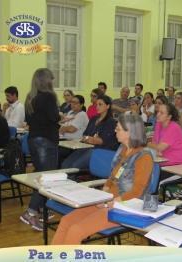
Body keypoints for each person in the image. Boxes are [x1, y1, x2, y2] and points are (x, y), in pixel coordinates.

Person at [52, 114, 154, 244]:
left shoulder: (144, 156)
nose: (115, 131)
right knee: (66, 221)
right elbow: (112, 177)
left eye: (118, 129)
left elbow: (137, 192)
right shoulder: (123, 149)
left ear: (129, 132)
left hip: (127, 207)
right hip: (108, 201)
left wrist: (109, 202)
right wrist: (102, 195)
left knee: (76, 230)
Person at [20, 68, 60, 231]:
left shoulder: (30, 97)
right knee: (46, 178)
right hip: (46, 140)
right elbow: (53, 117)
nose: (53, 82)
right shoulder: (49, 96)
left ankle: (41, 207)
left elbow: (29, 119)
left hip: (34, 140)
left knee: (40, 174)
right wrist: (60, 117)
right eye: (51, 79)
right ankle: (30, 212)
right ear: (46, 81)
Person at [61, 95, 118, 169]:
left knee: (74, 167)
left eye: (100, 104)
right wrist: (91, 138)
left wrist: (92, 139)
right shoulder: (93, 119)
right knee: (65, 164)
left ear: (107, 106)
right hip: (86, 147)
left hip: (99, 151)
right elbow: (85, 135)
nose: (97, 107)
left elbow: (102, 141)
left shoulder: (111, 122)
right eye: (96, 104)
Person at [148, 103, 182, 168]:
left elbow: (160, 147)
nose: (158, 115)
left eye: (162, 113)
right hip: (162, 162)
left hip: (177, 166)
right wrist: (155, 147)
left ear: (169, 117)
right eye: (158, 111)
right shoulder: (158, 124)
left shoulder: (174, 127)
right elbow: (155, 144)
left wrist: (148, 144)